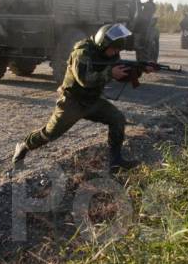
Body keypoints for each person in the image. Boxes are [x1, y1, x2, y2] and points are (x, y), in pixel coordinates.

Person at [12, 23, 151, 172]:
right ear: (103, 43)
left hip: (92, 101)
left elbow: (119, 75)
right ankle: (24, 146)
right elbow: (85, 80)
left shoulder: (109, 53)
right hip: (73, 102)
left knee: (117, 119)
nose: (116, 52)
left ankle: (115, 162)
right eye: (114, 49)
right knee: (50, 134)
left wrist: (137, 71)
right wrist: (110, 73)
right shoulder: (82, 53)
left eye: (118, 49)